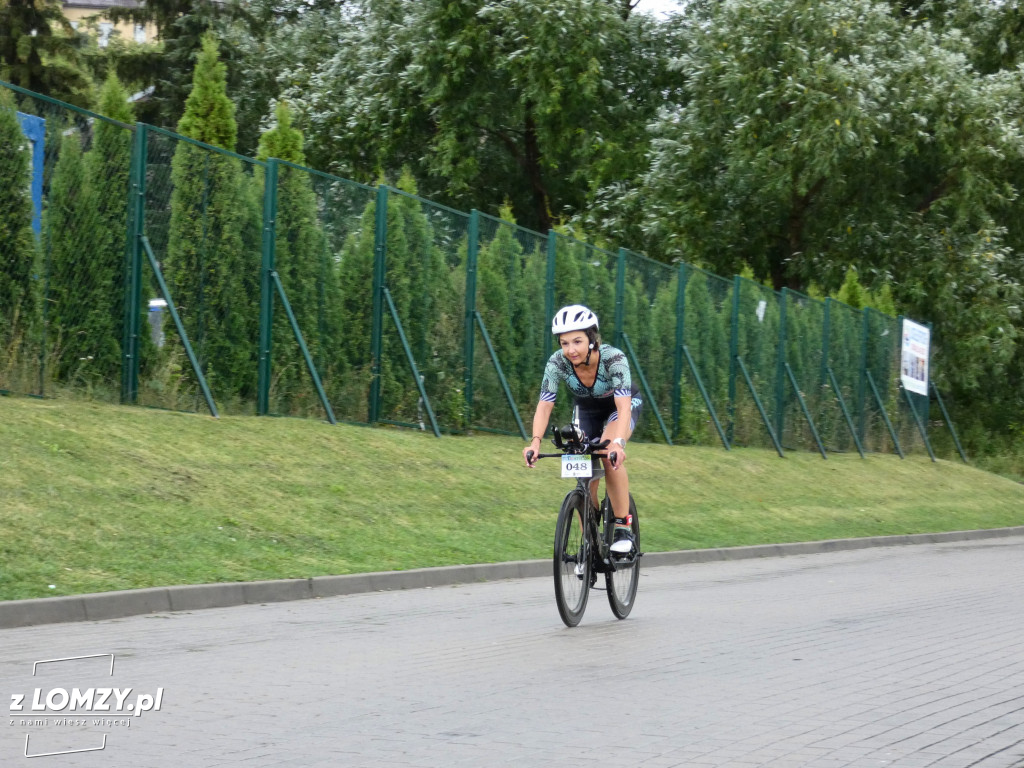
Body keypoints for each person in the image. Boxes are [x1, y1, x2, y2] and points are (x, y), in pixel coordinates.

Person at [522, 304, 643, 554]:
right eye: (564, 343)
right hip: (586, 410)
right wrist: (535, 443)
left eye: (577, 341)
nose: (570, 350)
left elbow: (623, 406)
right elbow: (544, 406)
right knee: (580, 462)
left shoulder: (614, 358)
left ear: (592, 338)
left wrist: (618, 443)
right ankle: (590, 536)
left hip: (619, 407)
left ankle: (623, 527)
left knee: (607, 456)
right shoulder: (557, 363)